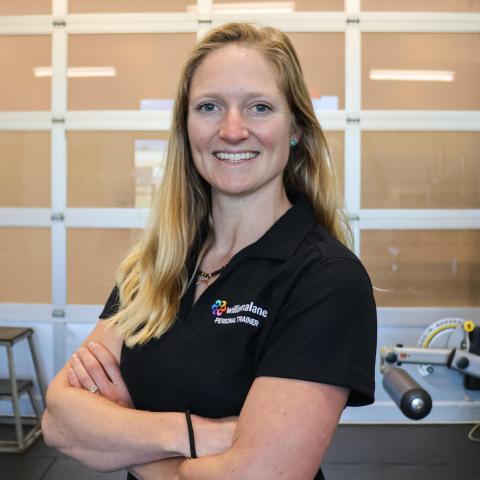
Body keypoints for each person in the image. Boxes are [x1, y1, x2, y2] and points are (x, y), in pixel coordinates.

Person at [42, 22, 377, 480]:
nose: (232, 130)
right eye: (209, 107)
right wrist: (200, 434)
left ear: (296, 127)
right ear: (186, 127)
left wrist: (121, 435)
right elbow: (61, 420)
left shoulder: (326, 279)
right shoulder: (155, 266)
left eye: (259, 107)